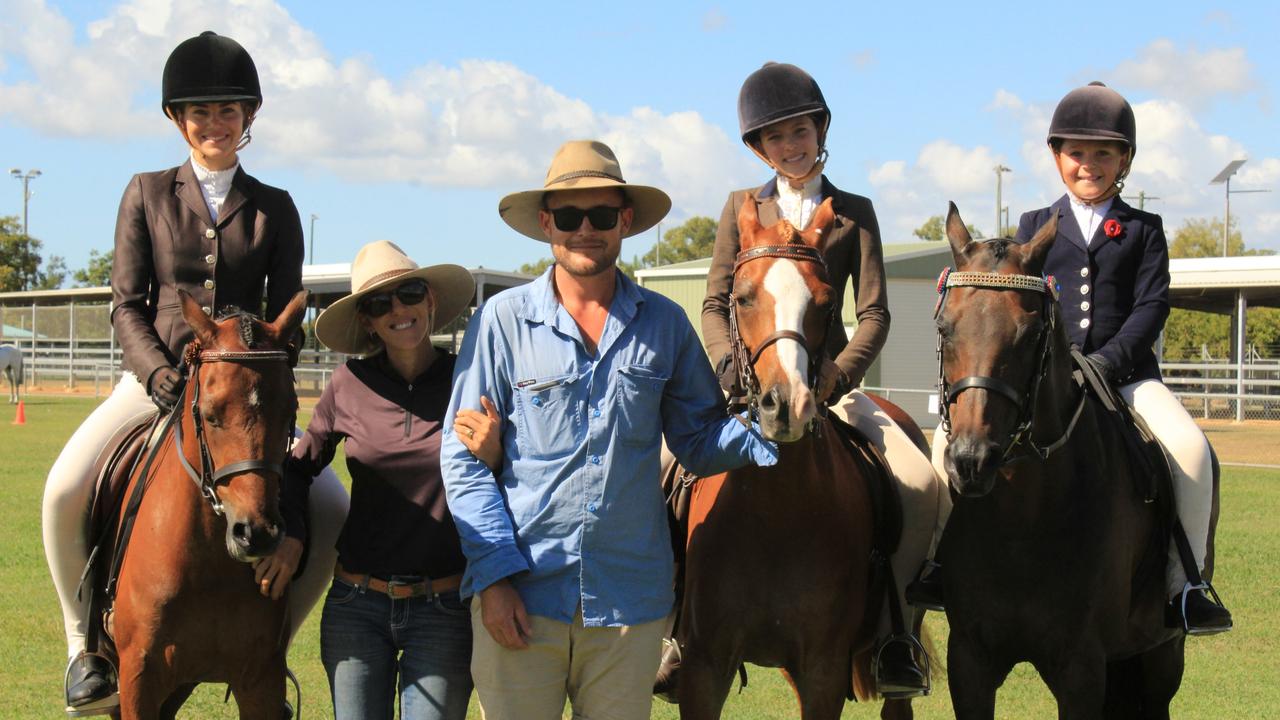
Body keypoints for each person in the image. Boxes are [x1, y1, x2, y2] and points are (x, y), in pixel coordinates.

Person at [41, 31, 348, 716]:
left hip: (242, 397)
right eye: (201, 112)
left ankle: (274, 640)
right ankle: (84, 648)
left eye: (229, 112)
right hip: (155, 386)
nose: (216, 125)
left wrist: (258, 390)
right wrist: (157, 378)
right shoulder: (146, 193)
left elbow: (284, 324)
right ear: (178, 120)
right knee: (63, 490)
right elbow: (126, 304)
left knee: (331, 506)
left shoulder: (276, 207)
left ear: (248, 120)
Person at [440, 140, 779, 720]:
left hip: (629, 607)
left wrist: (771, 430)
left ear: (625, 221)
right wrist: (494, 581)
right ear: (547, 223)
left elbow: (697, 439)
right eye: (569, 216)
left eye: (601, 215)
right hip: (523, 595)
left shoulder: (666, 324)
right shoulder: (501, 321)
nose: (585, 229)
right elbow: (463, 460)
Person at [910, 82, 1233, 635]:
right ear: (1057, 157)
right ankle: (941, 561)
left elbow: (1151, 306)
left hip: (1124, 377)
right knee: (947, 441)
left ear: (1124, 160)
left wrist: (1108, 362)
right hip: (1041, 382)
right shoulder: (1033, 225)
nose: (1089, 165)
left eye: (1102, 154)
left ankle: (1187, 585)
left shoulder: (1143, 230)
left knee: (1192, 451)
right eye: (1077, 153)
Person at [692, 61, 937, 696]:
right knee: (670, 467)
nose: (791, 146)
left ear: (819, 129)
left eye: (800, 131)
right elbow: (716, 304)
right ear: (758, 147)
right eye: (776, 138)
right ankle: (677, 625)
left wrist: (836, 375)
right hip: (747, 386)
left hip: (830, 391)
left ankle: (895, 636)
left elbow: (876, 313)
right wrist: (728, 370)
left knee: (916, 481)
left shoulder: (855, 214)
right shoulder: (739, 208)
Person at [279, 240, 486, 720]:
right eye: (379, 303)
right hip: (357, 603)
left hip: (445, 606)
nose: (398, 309)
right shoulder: (347, 384)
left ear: (430, 300)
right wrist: (291, 532)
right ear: (367, 321)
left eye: (409, 292)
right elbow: (297, 466)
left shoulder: (470, 379)